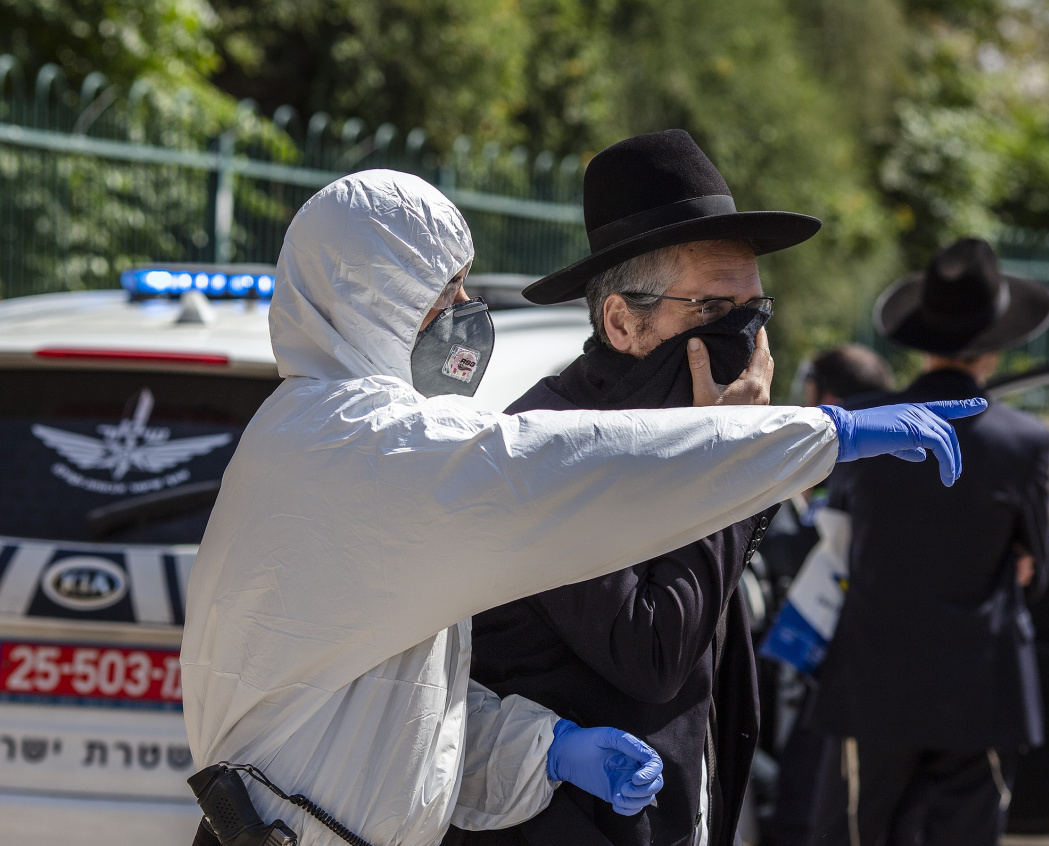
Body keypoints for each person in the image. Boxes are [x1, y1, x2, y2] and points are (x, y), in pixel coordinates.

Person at [180, 168, 984, 846]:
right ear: (374, 299)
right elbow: (570, 465)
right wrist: (811, 437)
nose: (467, 311)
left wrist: (545, 749)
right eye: (445, 292)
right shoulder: (362, 444)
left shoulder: (338, 439)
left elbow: (402, 711)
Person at [445, 128, 821, 846]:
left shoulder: (679, 431)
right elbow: (652, 651)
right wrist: (732, 462)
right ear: (622, 322)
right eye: (713, 311)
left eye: (755, 310)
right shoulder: (551, 449)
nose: (744, 335)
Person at [807, 238, 1049, 846]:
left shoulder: (864, 422)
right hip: (980, 688)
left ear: (921, 339)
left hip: (873, 681)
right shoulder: (1024, 440)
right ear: (995, 347)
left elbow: (832, 528)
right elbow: (1038, 568)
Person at [766, 345, 895, 846]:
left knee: (809, 802)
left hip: (840, 665)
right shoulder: (904, 444)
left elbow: (807, 549)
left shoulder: (848, 453)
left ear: (832, 400)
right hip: (902, 669)